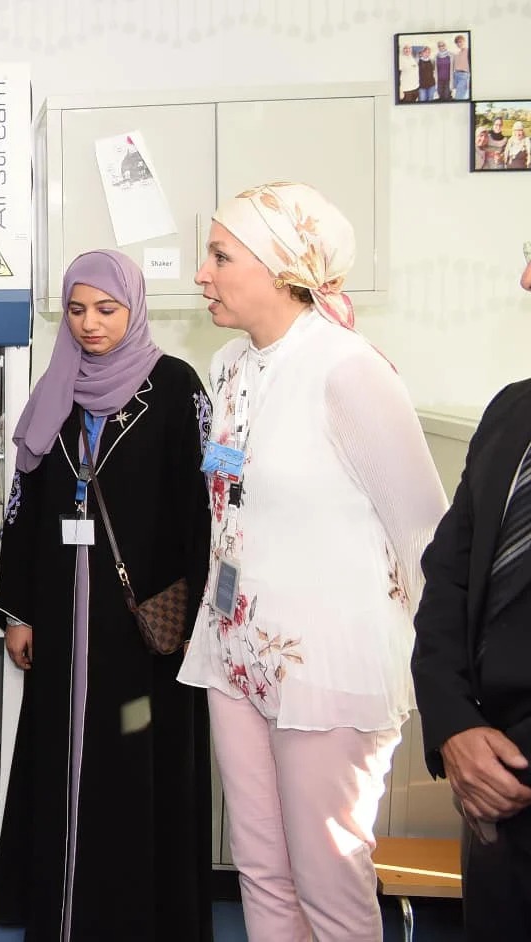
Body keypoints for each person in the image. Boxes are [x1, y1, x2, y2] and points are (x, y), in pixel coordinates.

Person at [177, 182, 448, 940]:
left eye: (220, 256)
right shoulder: (231, 365)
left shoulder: (349, 372)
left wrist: (453, 689)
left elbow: (427, 537)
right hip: (235, 652)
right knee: (262, 874)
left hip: (326, 668)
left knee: (329, 885)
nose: (201, 273)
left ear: (281, 267)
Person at [0, 250, 212, 941]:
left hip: (142, 633)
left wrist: (197, 615)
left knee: (134, 756)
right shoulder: (55, 391)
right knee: (59, 758)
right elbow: (24, 510)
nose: (90, 324)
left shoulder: (174, 388)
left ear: (134, 308)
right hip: (61, 621)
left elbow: (201, 511)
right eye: (78, 310)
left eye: (107, 309)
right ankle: (59, 910)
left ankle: (133, 918)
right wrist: (18, 611)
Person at [412, 242, 531, 939]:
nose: (525, 278)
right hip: (490, 795)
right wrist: (455, 724)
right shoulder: (511, 412)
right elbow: (448, 578)